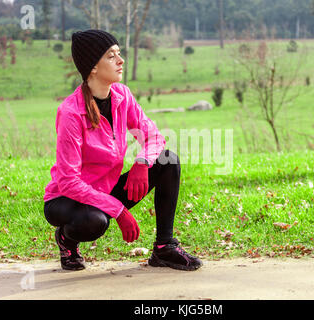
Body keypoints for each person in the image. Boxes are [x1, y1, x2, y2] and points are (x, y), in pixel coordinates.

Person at [43, 29, 202, 272]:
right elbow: (67, 181)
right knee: (94, 222)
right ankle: (67, 240)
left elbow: (154, 137)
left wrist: (142, 162)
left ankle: (164, 248)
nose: (121, 60)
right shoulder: (71, 113)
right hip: (67, 200)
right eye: (111, 56)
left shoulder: (121, 96)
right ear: (93, 67)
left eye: (119, 53)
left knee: (168, 161)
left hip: (106, 188)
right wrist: (118, 211)